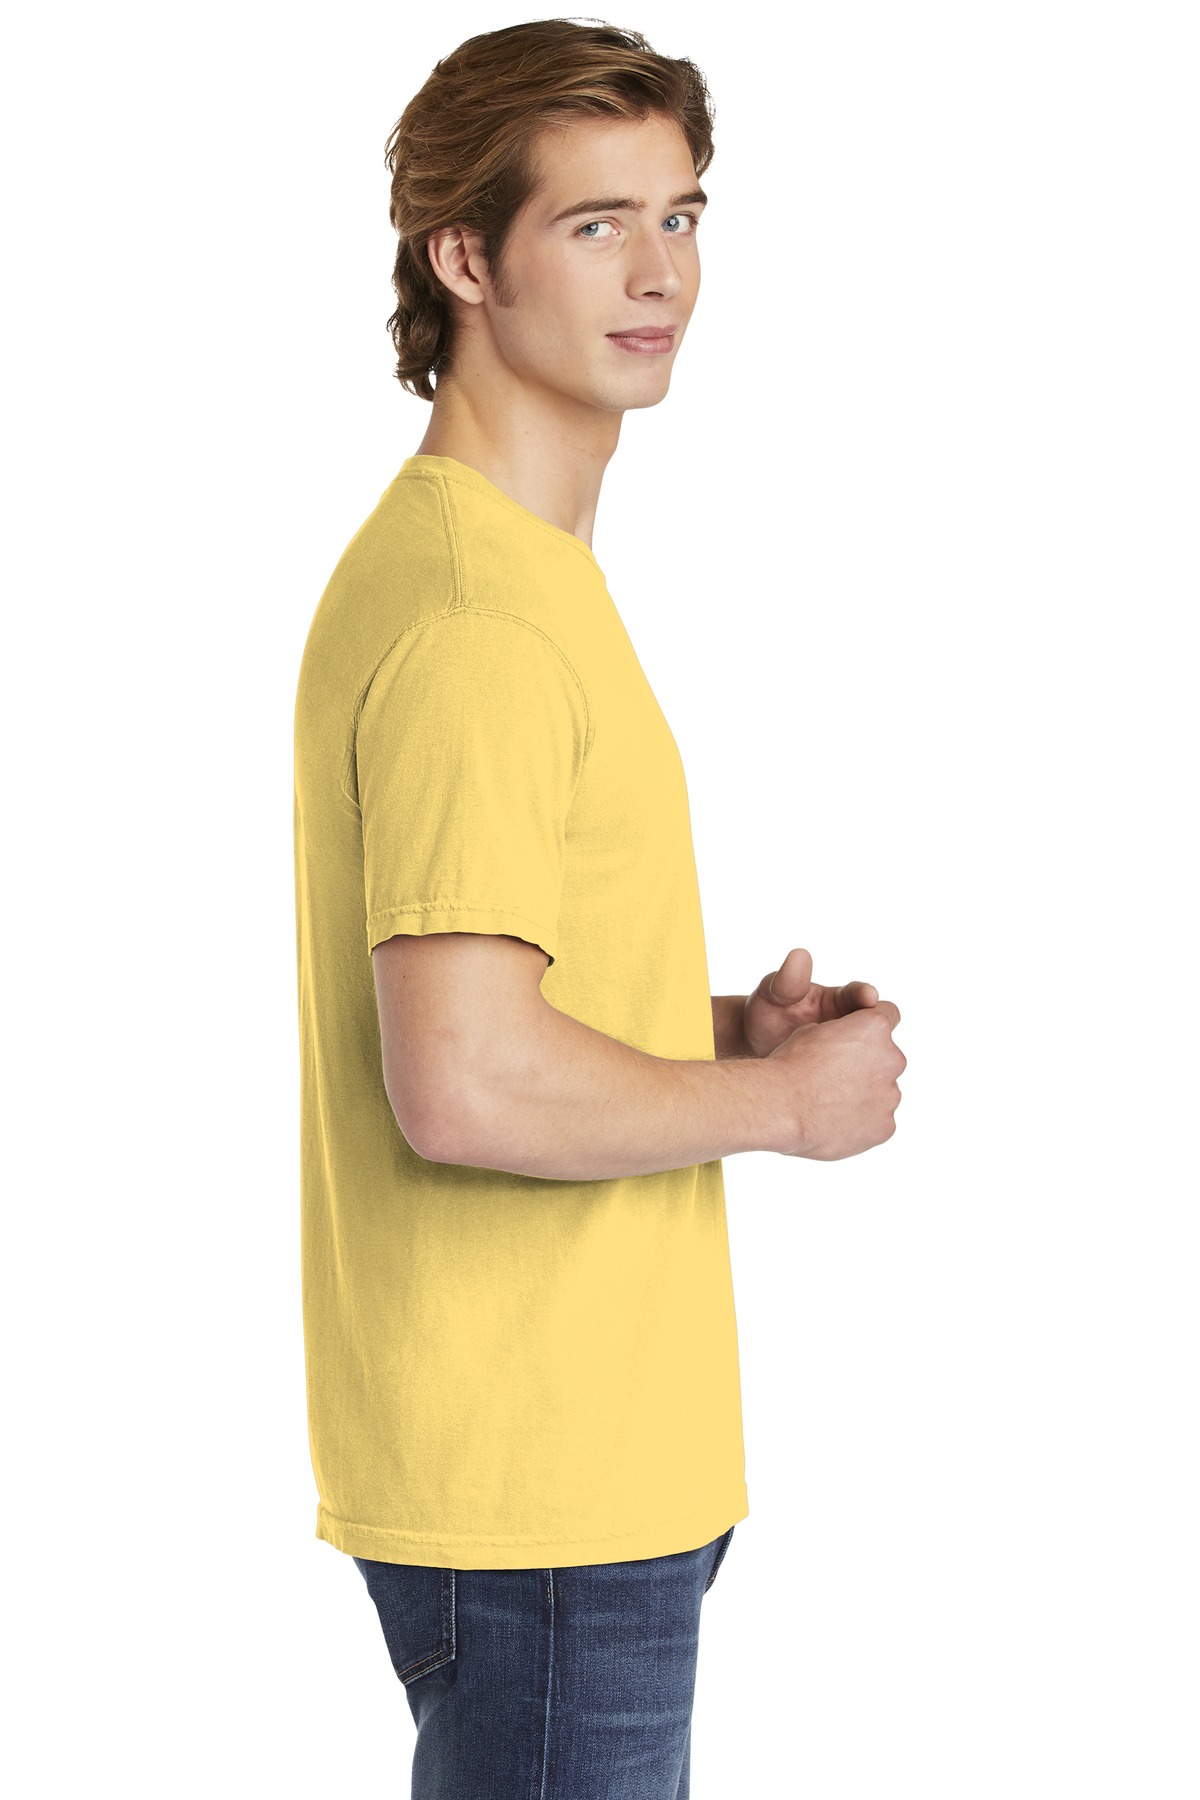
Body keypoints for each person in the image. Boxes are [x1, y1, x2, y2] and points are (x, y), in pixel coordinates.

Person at [291, 18, 905, 1798]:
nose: (662, 274)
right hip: (544, 1486)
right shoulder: (477, 619)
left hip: (580, 1468)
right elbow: (463, 1080)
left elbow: (484, 995)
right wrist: (785, 1107)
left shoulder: (520, 574)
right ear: (464, 259)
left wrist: (713, 1033)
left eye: (683, 214)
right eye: (595, 224)